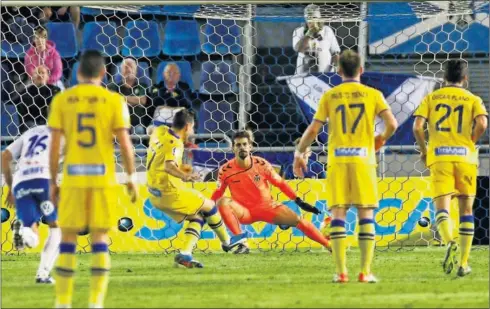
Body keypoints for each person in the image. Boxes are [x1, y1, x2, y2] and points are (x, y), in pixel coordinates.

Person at [293, 50, 398, 283]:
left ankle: (341, 273)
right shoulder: (373, 94)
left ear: (338, 71)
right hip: (363, 160)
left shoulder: (330, 96)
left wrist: (299, 153)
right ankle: (365, 272)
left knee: (338, 213)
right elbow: (392, 124)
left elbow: (312, 130)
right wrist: (379, 140)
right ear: (361, 70)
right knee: (366, 214)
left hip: (338, 160)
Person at [48, 50, 138, 308]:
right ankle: (95, 303)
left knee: (67, 240)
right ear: (103, 73)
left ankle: (63, 302)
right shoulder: (114, 100)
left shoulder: (63, 100)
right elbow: (125, 144)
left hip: (73, 178)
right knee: (99, 240)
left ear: (77, 73)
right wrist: (131, 176)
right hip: (102, 179)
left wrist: (53, 181)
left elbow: (55, 147)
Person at [412, 59, 488, 277]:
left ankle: (449, 242)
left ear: (444, 78)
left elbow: (417, 127)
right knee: (466, 211)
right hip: (465, 158)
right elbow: (482, 123)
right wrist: (470, 141)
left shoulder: (431, 98)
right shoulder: (473, 98)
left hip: (440, 158)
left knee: (442, 209)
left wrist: (425, 150)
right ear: (465, 78)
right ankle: (463, 263)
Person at [146, 109, 247, 267]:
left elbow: (150, 130)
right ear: (187, 126)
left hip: (154, 192)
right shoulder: (175, 144)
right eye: (192, 127)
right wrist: (184, 175)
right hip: (170, 192)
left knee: (197, 217)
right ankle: (227, 242)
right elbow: (169, 166)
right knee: (210, 207)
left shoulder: (160, 131)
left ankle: (185, 255)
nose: (192, 131)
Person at [212, 130, 331, 255]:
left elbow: (280, 184)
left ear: (250, 146)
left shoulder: (262, 164)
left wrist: (299, 201)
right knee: (223, 201)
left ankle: (328, 245)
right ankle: (242, 242)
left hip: (268, 208)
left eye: (244, 144)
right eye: (238, 145)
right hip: (244, 212)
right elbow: (218, 192)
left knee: (299, 221)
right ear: (233, 148)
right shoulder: (225, 170)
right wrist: (207, 207)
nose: (242, 147)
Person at [1, 125, 62, 284]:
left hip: (21, 183)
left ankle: (23, 231)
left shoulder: (31, 131)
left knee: (32, 237)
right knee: (56, 228)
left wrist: (10, 187)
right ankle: (43, 275)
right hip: (44, 181)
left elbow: (5, 156)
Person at [292, 4, 341, 74]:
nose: (311, 20)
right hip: (303, 75)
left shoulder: (327, 30)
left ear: (319, 18)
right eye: (308, 17)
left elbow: (335, 52)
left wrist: (337, 68)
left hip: (325, 75)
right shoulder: (298, 31)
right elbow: (299, 49)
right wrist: (309, 34)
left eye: (314, 17)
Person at [11, 65, 61, 132]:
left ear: (47, 76)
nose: (40, 75)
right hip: (31, 123)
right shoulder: (26, 91)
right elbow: (14, 100)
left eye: (42, 73)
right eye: (37, 73)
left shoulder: (55, 90)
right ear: (32, 76)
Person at [108, 58, 150, 135]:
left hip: (136, 124)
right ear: (121, 71)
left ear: (136, 71)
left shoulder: (142, 86)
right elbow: (111, 103)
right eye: (126, 67)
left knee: (139, 130)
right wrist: (135, 101)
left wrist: (121, 98)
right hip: (118, 123)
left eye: (131, 67)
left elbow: (143, 101)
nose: (128, 69)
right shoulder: (113, 86)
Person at [150, 63, 196, 127]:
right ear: (163, 74)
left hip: (179, 121)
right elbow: (155, 102)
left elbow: (187, 103)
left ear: (179, 75)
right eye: (168, 72)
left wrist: (166, 95)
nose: (171, 74)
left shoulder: (185, 87)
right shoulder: (156, 87)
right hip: (160, 121)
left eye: (175, 73)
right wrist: (174, 96)